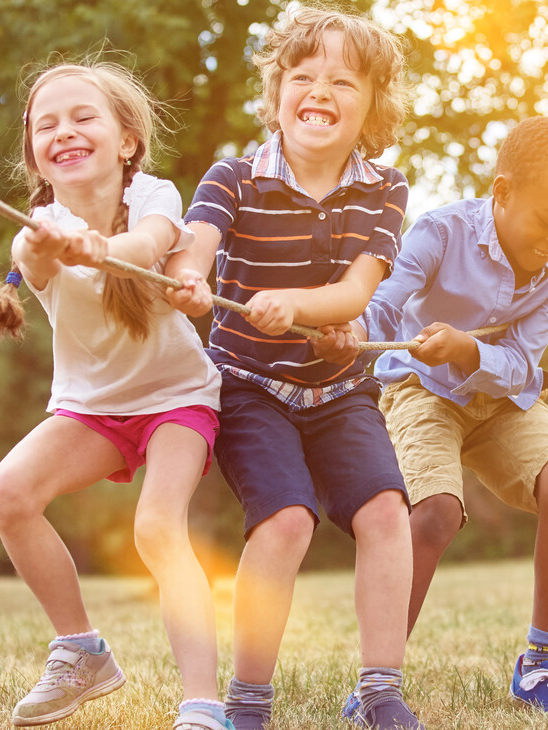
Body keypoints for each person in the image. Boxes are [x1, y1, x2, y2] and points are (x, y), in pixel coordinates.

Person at [163, 7, 421, 730]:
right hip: (248, 387)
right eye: (303, 76)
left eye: (344, 81)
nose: (320, 91)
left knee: (385, 513)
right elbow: (198, 242)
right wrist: (185, 275)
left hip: (340, 391)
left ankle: (380, 692)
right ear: (277, 92)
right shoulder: (234, 175)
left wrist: (297, 305)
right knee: (283, 524)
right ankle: (247, 703)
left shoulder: (385, 189)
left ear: (373, 104)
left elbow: (354, 292)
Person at [0, 60, 234, 730]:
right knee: (7, 491)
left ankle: (203, 705)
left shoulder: (154, 196)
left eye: (83, 117)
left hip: (177, 398)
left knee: (155, 527)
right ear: (34, 152)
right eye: (45, 125)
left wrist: (102, 245)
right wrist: (58, 247)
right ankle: (81, 650)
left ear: (126, 140)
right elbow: (34, 259)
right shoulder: (35, 229)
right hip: (92, 409)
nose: (63, 132)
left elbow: (147, 244)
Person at [315, 116, 548, 718]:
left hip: (502, 399)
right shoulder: (440, 232)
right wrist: (354, 331)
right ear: (502, 192)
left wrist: (469, 350)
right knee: (436, 512)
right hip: (421, 389)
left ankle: (540, 664)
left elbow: (523, 365)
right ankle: (377, 683)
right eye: (547, 221)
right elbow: (387, 303)